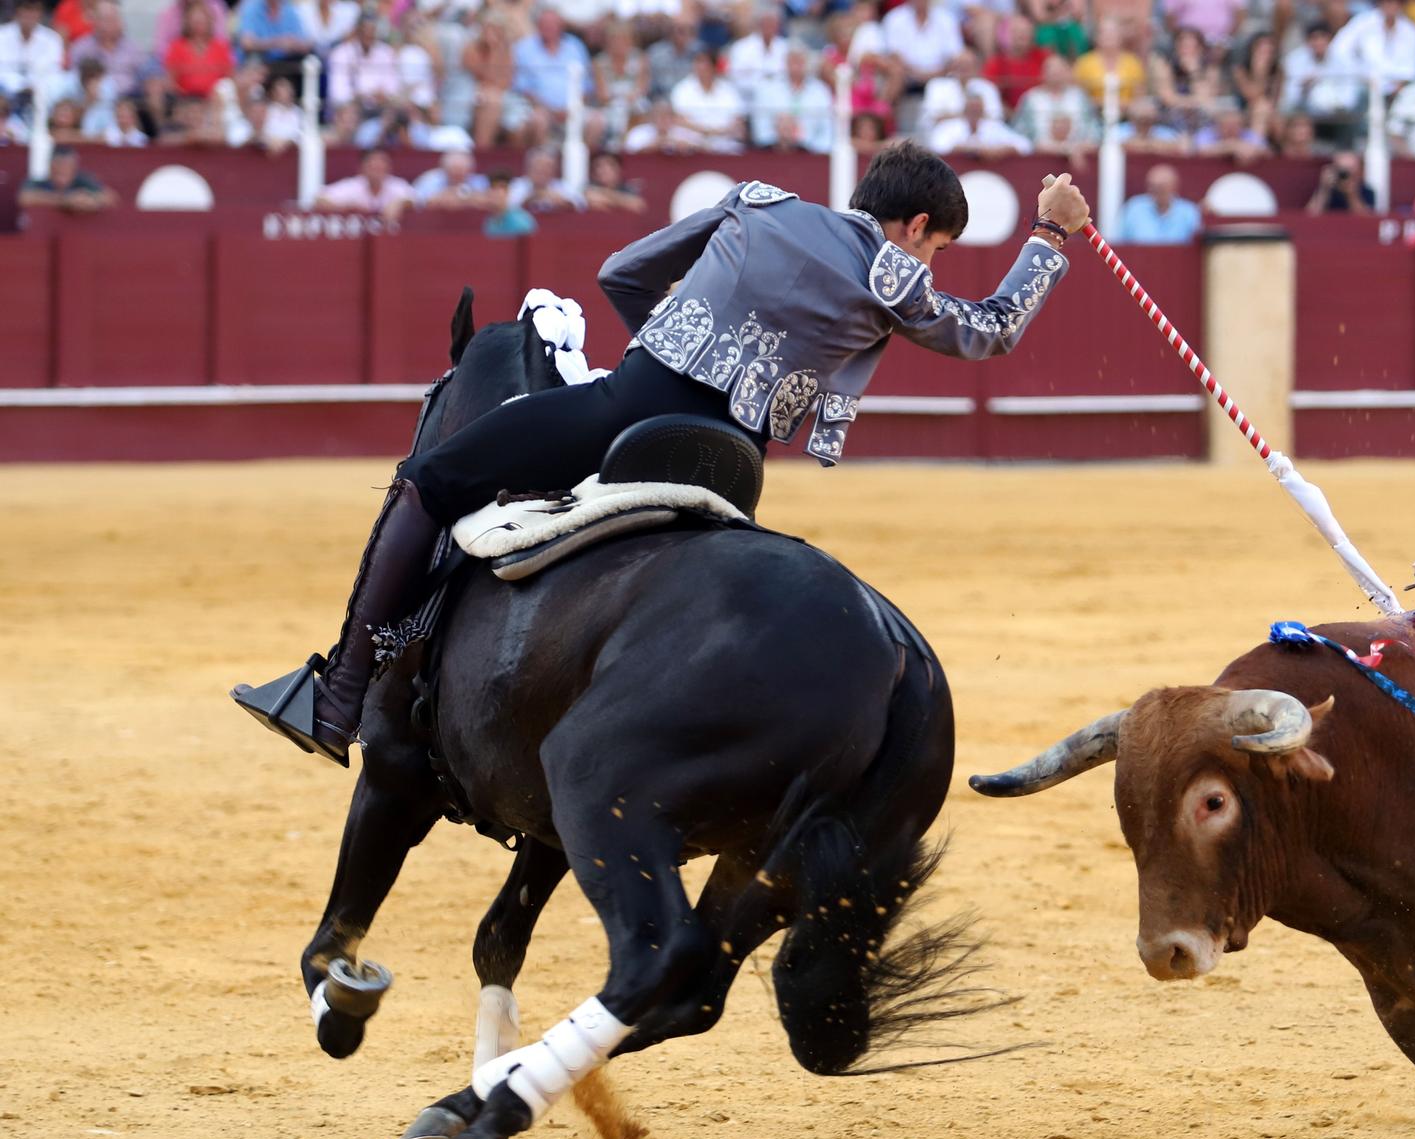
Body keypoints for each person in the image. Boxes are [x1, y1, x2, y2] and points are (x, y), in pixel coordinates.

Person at [233, 146, 1092, 765]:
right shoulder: (895, 274)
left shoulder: (754, 202)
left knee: (429, 479)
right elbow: (991, 330)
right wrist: (1050, 239)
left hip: (632, 408)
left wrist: (676, 346)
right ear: (912, 226)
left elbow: (620, 274)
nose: (926, 259)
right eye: (935, 246)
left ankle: (341, 696)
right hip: (734, 466)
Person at [314, 144, 415, 216]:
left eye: (381, 165)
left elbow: (414, 200)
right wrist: (346, 208)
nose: (377, 168)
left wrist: (399, 204)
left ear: (389, 167)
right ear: (362, 167)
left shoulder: (396, 185)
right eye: (373, 166)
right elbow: (320, 200)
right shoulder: (352, 185)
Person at [1112, 163, 1203, 243]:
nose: (1156, 191)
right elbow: (1119, 243)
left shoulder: (1189, 212)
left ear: (1173, 187)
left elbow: (1196, 245)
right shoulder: (1133, 208)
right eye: (1152, 186)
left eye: (1161, 187)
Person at [20, 144, 118, 210]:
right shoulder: (39, 182)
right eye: (60, 165)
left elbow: (112, 198)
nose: (64, 170)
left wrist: (91, 200)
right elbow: (24, 198)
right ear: (51, 167)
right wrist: (65, 200)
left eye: (68, 166)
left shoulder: (82, 180)